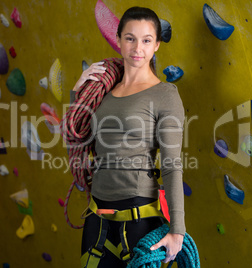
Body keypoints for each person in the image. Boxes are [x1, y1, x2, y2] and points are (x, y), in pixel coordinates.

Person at [69, 6, 185, 267]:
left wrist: (177, 229)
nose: (137, 48)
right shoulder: (104, 91)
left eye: (146, 40)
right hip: (96, 217)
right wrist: (77, 94)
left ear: (156, 45)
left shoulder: (165, 94)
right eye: (130, 38)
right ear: (119, 40)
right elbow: (80, 141)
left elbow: (171, 165)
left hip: (137, 219)